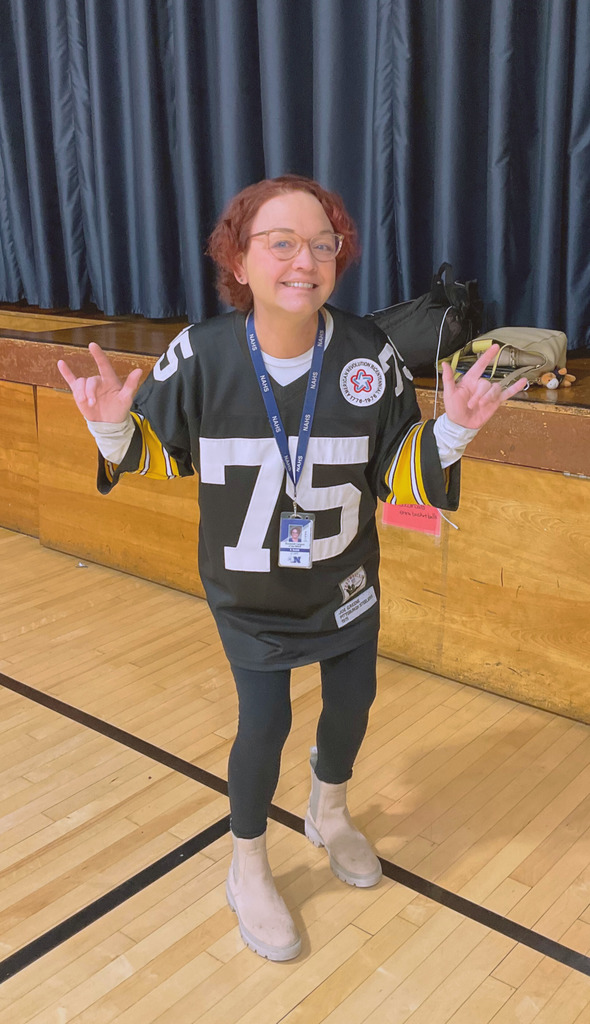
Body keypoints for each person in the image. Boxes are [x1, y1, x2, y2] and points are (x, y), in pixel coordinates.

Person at [57, 174, 526, 961]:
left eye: (322, 243)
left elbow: (394, 472)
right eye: (280, 242)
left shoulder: (369, 353)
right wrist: (111, 433)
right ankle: (247, 863)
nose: (303, 259)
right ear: (239, 260)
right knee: (265, 723)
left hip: (343, 581)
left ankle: (329, 810)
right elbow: (160, 453)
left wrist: (449, 437)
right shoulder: (201, 352)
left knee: (352, 705)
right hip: (250, 594)